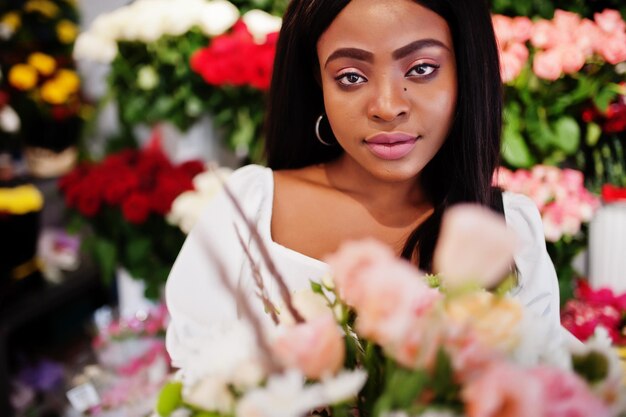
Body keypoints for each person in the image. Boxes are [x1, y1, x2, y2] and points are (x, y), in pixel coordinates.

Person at [165, 0, 561, 371]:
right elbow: (195, 384)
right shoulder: (247, 211)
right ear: (318, 85)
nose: (387, 107)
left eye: (421, 68)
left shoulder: (507, 230)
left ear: (467, 72)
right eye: (351, 76)